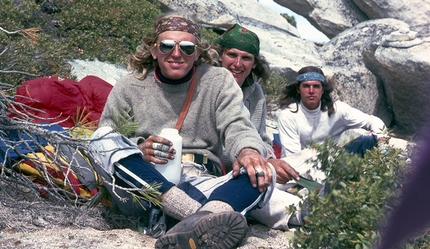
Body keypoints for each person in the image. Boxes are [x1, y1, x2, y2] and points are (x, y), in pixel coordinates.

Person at [91, 13, 275, 249]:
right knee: (101, 139)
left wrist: (248, 150)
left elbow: (237, 124)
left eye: (187, 48)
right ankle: (201, 218)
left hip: (201, 180)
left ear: (198, 52)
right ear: (154, 50)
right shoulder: (130, 85)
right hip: (146, 184)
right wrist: (138, 147)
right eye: (167, 46)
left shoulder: (218, 80)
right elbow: (109, 133)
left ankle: (191, 219)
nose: (176, 54)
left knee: (262, 169)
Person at [213, 24, 304, 230]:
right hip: (226, 172)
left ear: (254, 63)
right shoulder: (207, 84)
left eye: (246, 58)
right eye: (232, 55)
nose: (237, 63)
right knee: (277, 203)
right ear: (220, 56)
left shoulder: (255, 93)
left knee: (304, 163)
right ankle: (308, 212)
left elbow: (261, 137)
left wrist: (271, 160)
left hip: (254, 166)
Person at [277, 66, 388, 181]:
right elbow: (295, 159)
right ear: (298, 89)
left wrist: (383, 143)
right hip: (299, 170)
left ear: (322, 90)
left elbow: (372, 120)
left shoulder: (337, 109)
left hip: (332, 164)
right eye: (306, 86)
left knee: (368, 139)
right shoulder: (288, 115)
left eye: (316, 86)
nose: (311, 91)